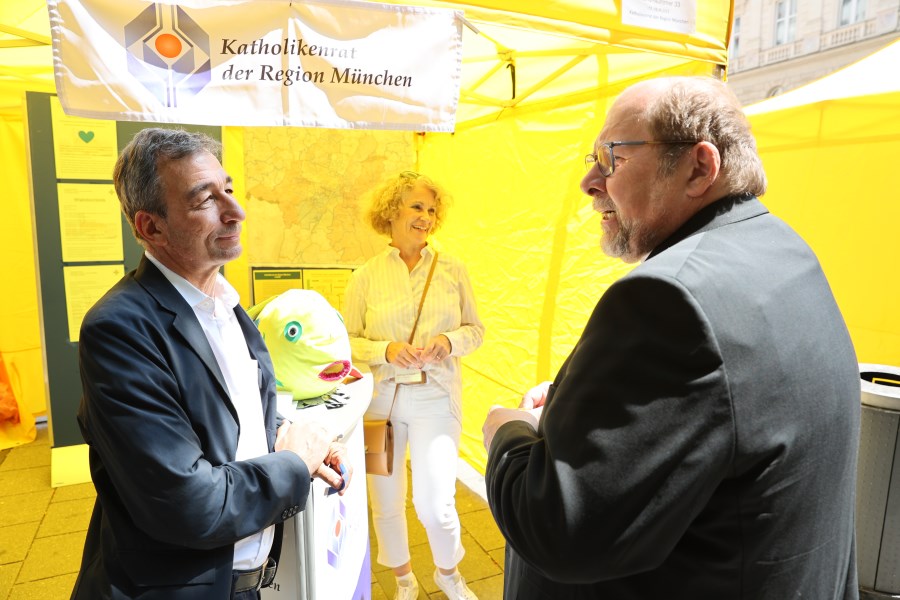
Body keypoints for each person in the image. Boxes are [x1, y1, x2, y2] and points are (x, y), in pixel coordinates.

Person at [481, 76, 860, 599]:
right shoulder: (784, 250)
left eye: (611, 157)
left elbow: (560, 529)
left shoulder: (667, 299)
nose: (590, 181)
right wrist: (578, 410)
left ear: (700, 168)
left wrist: (509, 432)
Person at [71, 127, 351, 600]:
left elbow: (229, 406)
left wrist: (281, 431)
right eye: (204, 199)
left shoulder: (225, 303)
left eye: (229, 189)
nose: (235, 211)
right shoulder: (119, 329)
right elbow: (189, 504)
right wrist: (293, 462)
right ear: (150, 227)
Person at [344, 171, 484, 600]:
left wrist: (448, 341)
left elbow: (475, 330)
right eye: (417, 207)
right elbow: (346, 342)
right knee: (385, 501)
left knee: (435, 502)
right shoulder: (364, 276)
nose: (426, 216)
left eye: (431, 209)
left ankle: (448, 573)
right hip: (380, 402)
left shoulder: (453, 269)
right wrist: (385, 350)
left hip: (434, 399)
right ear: (391, 212)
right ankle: (405, 580)